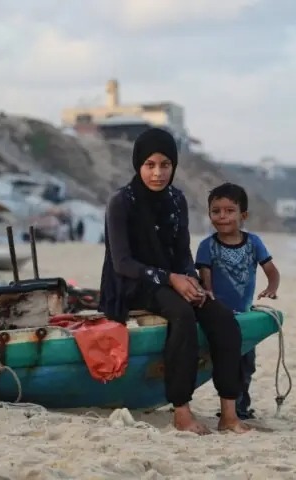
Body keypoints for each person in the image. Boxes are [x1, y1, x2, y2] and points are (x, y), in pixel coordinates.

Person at [98, 127, 250, 435]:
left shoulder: (176, 200)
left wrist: (194, 283)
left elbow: (182, 252)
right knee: (181, 315)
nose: (157, 173)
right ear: (138, 165)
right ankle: (182, 412)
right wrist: (172, 280)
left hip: (173, 279)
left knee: (221, 316)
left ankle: (229, 414)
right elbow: (122, 263)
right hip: (132, 285)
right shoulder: (121, 202)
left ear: (174, 165)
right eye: (150, 165)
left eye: (165, 165)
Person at [195, 182, 281, 420]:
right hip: (218, 317)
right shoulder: (207, 246)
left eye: (229, 211)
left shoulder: (254, 243)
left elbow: (271, 270)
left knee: (246, 364)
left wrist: (271, 289)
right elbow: (206, 280)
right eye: (216, 211)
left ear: (243, 215)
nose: (222, 216)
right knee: (218, 363)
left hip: (244, 317)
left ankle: (241, 407)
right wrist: (208, 295)